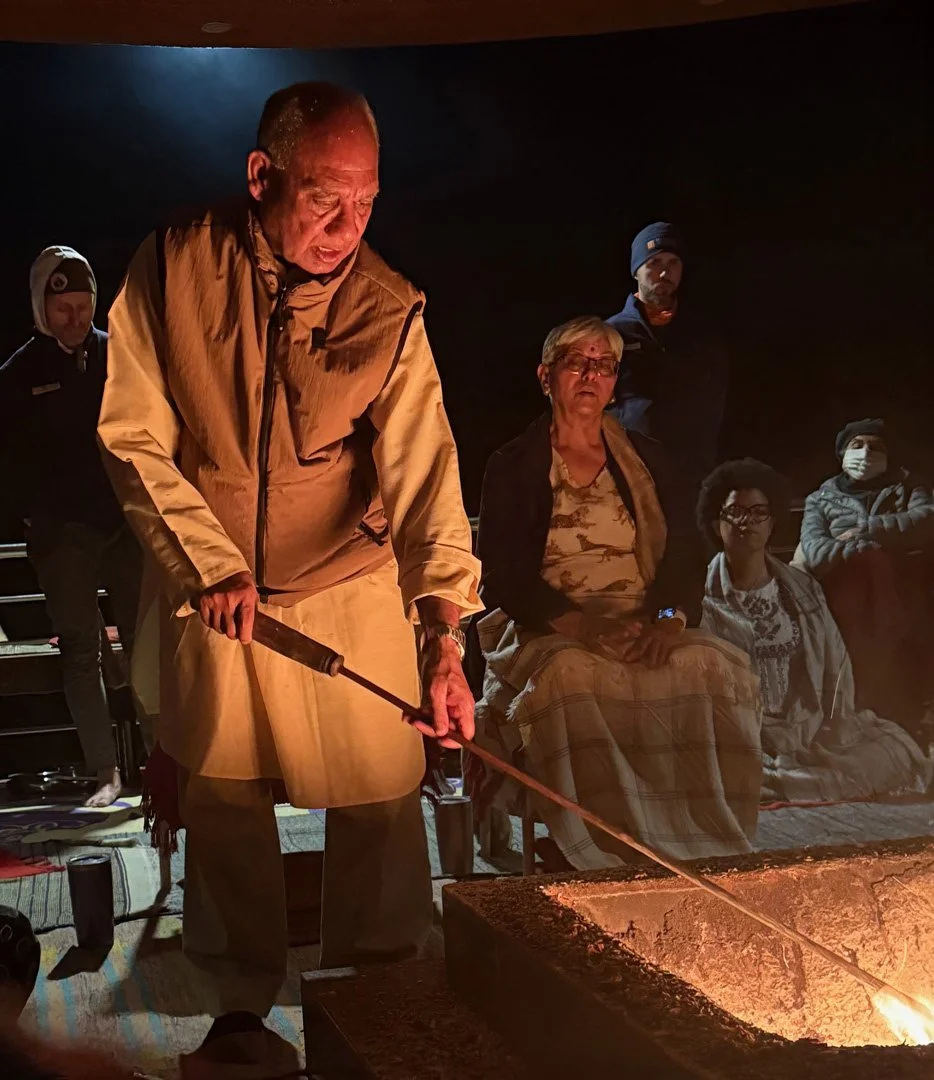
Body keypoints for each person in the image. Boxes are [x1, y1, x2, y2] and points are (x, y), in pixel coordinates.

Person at [98, 82, 481, 1075]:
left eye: (367, 201)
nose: (345, 229)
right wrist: (209, 560)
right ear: (261, 176)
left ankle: (381, 993)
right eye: (323, 198)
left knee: (381, 794)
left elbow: (427, 474)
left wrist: (444, 635)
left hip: (347, 580)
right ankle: (239, 1009)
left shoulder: (389, 308)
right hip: (215, 584)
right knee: (224, 799)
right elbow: (134, 435)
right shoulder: (172, 265)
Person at [468, 315, 761, 871]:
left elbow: (684, 557)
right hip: (550, 625)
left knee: (715, 666)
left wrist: (668, 620)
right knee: (569, 678)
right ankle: (588, 842)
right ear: (546, 376)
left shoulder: (647, 459)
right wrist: (583, 627)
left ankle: (699, 838)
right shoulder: (515, 464)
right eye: (576, 362)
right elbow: (504, 575)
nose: (590, 375)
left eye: (604, 365)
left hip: (646, 619)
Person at [699, 459, 931, 804]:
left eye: (759, 512)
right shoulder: (699, 589)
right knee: (717, 769)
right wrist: (670, 616)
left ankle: (793, 779)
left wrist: (829, 723)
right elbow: (668, 611)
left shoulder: (802, 588)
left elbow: (836, 665)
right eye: (734, 512)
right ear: (716, 522)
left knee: (893, 749)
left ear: (772, 522)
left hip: (806, 726)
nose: (747, 522)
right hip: (738, 730)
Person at [0, 248, 142, 808]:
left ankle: (162, 761)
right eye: (63, 308)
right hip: (63, 535)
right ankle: (105, 771)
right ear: (42, 307)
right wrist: (31, 514)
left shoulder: (117, 353)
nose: (75, 318)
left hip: (122, 524)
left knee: (146, 642)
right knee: (81, 649)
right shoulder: (18, 374)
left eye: (83, 306)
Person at [795, 419, 934, 740]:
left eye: (876, 447)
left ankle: (872, 705)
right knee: (864, 575)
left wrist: (867, 530)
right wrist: (859, 550)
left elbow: (926, 518)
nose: (866, 453)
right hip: (843, 584)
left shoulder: (908, 486)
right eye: (857, 445)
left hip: (899, 581)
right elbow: (814, 548)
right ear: (842, 453)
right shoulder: (821, 498)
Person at [606, 221, 728, 515]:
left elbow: (717, 404)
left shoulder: (700, 334)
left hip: (691, 482)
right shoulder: (610, 334)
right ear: (636, 271)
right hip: (628, 483)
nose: (664, 272)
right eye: (654, 262)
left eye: (673, 263)